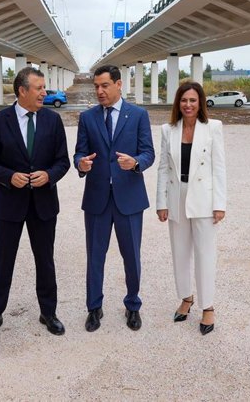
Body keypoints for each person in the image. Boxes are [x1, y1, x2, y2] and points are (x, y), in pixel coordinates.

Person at [0, 67, 70, 340]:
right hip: (9, 205)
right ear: (22, 91)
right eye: (39, 88)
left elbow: (62, 162)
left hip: (43, 205)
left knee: (45, 261)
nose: (45, 92)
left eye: (45, 88)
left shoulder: (53, 121)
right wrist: (9, 177)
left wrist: (49, 175)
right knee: (2, 261)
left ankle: (48, 313)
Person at [74, 64, 155, 332]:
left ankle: (133, 306)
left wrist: (135, 163)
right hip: (97, 199)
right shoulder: (87, 118)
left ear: (119, 85)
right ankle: (94, 308)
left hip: (129, 199)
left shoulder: (139, 115)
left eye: (104, 85)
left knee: (131, 256)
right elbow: (79, 153)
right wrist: (81, 164)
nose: (99, 91)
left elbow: (148, 153)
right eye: (96, 86)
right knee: (95, 257)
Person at [155, 81, 226, 335]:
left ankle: (208, 306)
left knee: (205, 253)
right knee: (180, 252)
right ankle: (186, 297)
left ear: (201, 102)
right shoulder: (168, 129)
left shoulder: (213, 128)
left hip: (204, 199)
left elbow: (219, 168)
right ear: (178, 103)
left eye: (193, 100)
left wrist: (220, 204)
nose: (188, 105)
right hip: (177, 195)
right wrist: (161, 202)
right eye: (184, 100)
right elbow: (163, 168)